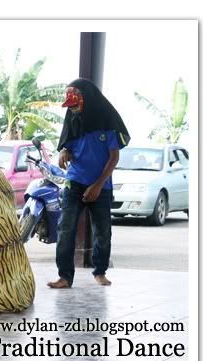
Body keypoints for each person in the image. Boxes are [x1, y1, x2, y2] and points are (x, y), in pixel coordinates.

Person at [48, 78, 130, 289]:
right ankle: (65, 276)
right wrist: (64, 150)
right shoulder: (74, 122)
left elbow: (114, 158)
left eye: (75, 104)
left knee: (103, 231)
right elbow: (67, 147)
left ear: (88, 99)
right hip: (74, 182)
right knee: (65, 228)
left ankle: (100, 271)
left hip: (101, 186)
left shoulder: (107, 124)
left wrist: (97, 185)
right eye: (70, 106)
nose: (73, 110)